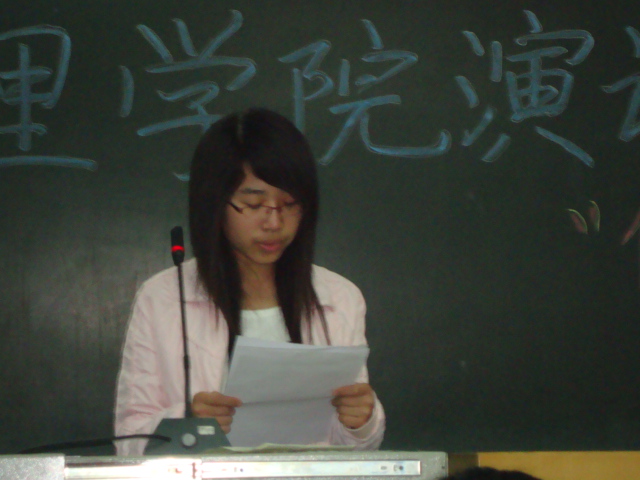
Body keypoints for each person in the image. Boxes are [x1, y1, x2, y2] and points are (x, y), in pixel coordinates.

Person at [114, 108, 385, 455]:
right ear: (215, 202)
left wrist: (361, 421)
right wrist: (187, 419)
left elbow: (355, 450)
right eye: (254, 204)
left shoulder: (339, 298)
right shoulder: (164, 298)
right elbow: (128, 441)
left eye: (290, 203)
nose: (274, 223)